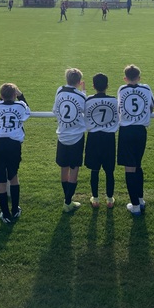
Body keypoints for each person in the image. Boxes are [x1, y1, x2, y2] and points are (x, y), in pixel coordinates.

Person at [0, 83, 30, 223]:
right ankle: (15, 209)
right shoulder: (20, 106)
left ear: (1, 95)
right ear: (14, 95)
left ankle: (5, 214)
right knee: (13, 176)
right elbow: (26, 107)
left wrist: (5, 94)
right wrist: (20, 95)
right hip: (13, 144)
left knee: (0, 180)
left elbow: (1, 101)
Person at [118, 64, 154, 216]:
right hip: (141, 131)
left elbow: (120, 108)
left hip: (126, 131)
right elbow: (151, 107)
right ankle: (140, 199)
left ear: (125, 78)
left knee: (129, 168)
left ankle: (135, 206)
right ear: (139, 77)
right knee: (138, 165)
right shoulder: (146, 89)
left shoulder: (122, 89)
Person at [53, 68, 87, 212]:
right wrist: (84, 91)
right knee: (74, 169)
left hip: (62, 135)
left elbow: (55, 110)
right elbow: (86, 111)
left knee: (64, 167)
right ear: (79, 82)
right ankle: (68, 201)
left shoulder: (60, 90)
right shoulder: (80, 96)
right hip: (77, 137)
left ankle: (67, 199)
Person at [84, 73, 119, 209]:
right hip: (109, 138)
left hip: (93, 138)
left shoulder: (88, 100)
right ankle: (109, 199)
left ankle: (95, 199)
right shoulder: (114, 101)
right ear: (107, 86)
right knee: (109, 171)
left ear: (93, 86)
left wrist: (83, 91)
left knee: (94, 170)